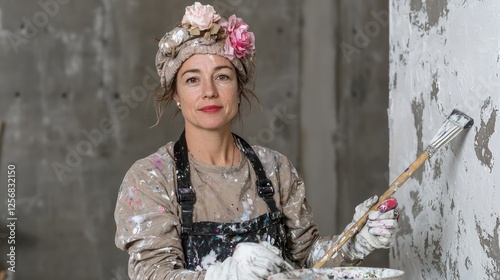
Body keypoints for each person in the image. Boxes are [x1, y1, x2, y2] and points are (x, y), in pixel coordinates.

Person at [114, 2, 399, 279]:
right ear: (176, 94)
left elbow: (307, 263)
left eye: (222, 76)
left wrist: (355, 240)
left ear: (238, 87)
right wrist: (224, 276)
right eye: (192, 80)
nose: (209, 91)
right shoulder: (150, 179)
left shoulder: (275, 169)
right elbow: (152, 274)